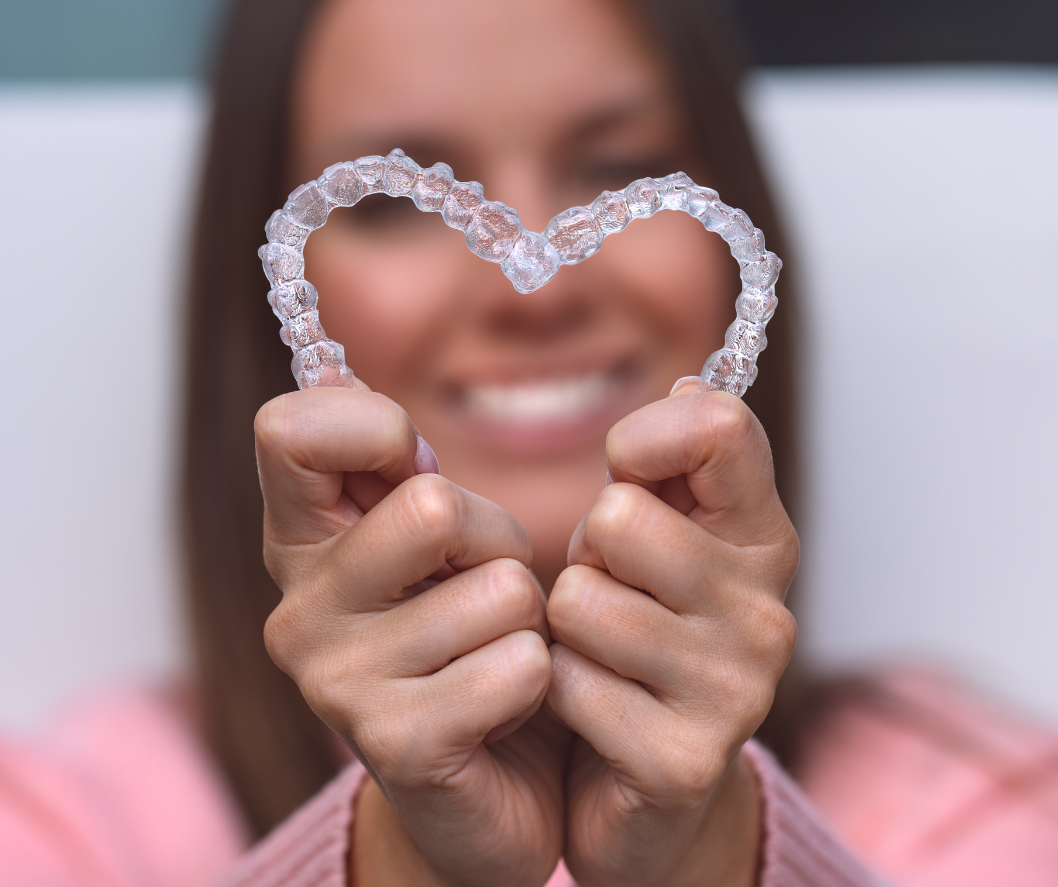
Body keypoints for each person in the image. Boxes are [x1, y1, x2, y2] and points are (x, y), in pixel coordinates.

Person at [3, 0, 1057, 884]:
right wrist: (401, 854)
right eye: (392, 203)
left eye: (620, 165)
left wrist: (710, 847)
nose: (537, 288)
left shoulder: (984, 801)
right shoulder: (60, 825)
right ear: (272, 299)